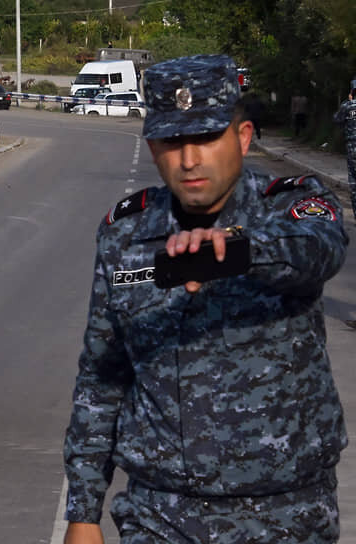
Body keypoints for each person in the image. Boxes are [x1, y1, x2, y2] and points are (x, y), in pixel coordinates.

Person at [63, 54, 347, 543]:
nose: (189, 159)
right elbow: (102, 376)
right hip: (162, 516)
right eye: (173, 141)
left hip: (287, 516)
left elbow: (320, 250)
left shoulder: (288, 205)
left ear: (241, 137)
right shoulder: (125, 235)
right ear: (152, 146)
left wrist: (239, 251)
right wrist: (83, 513)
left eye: (206, 138)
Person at [333, 77, 356, 220]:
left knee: (354, 182)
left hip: (353, 146)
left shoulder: (347, 106)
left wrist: (347, 101)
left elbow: (336, 120)